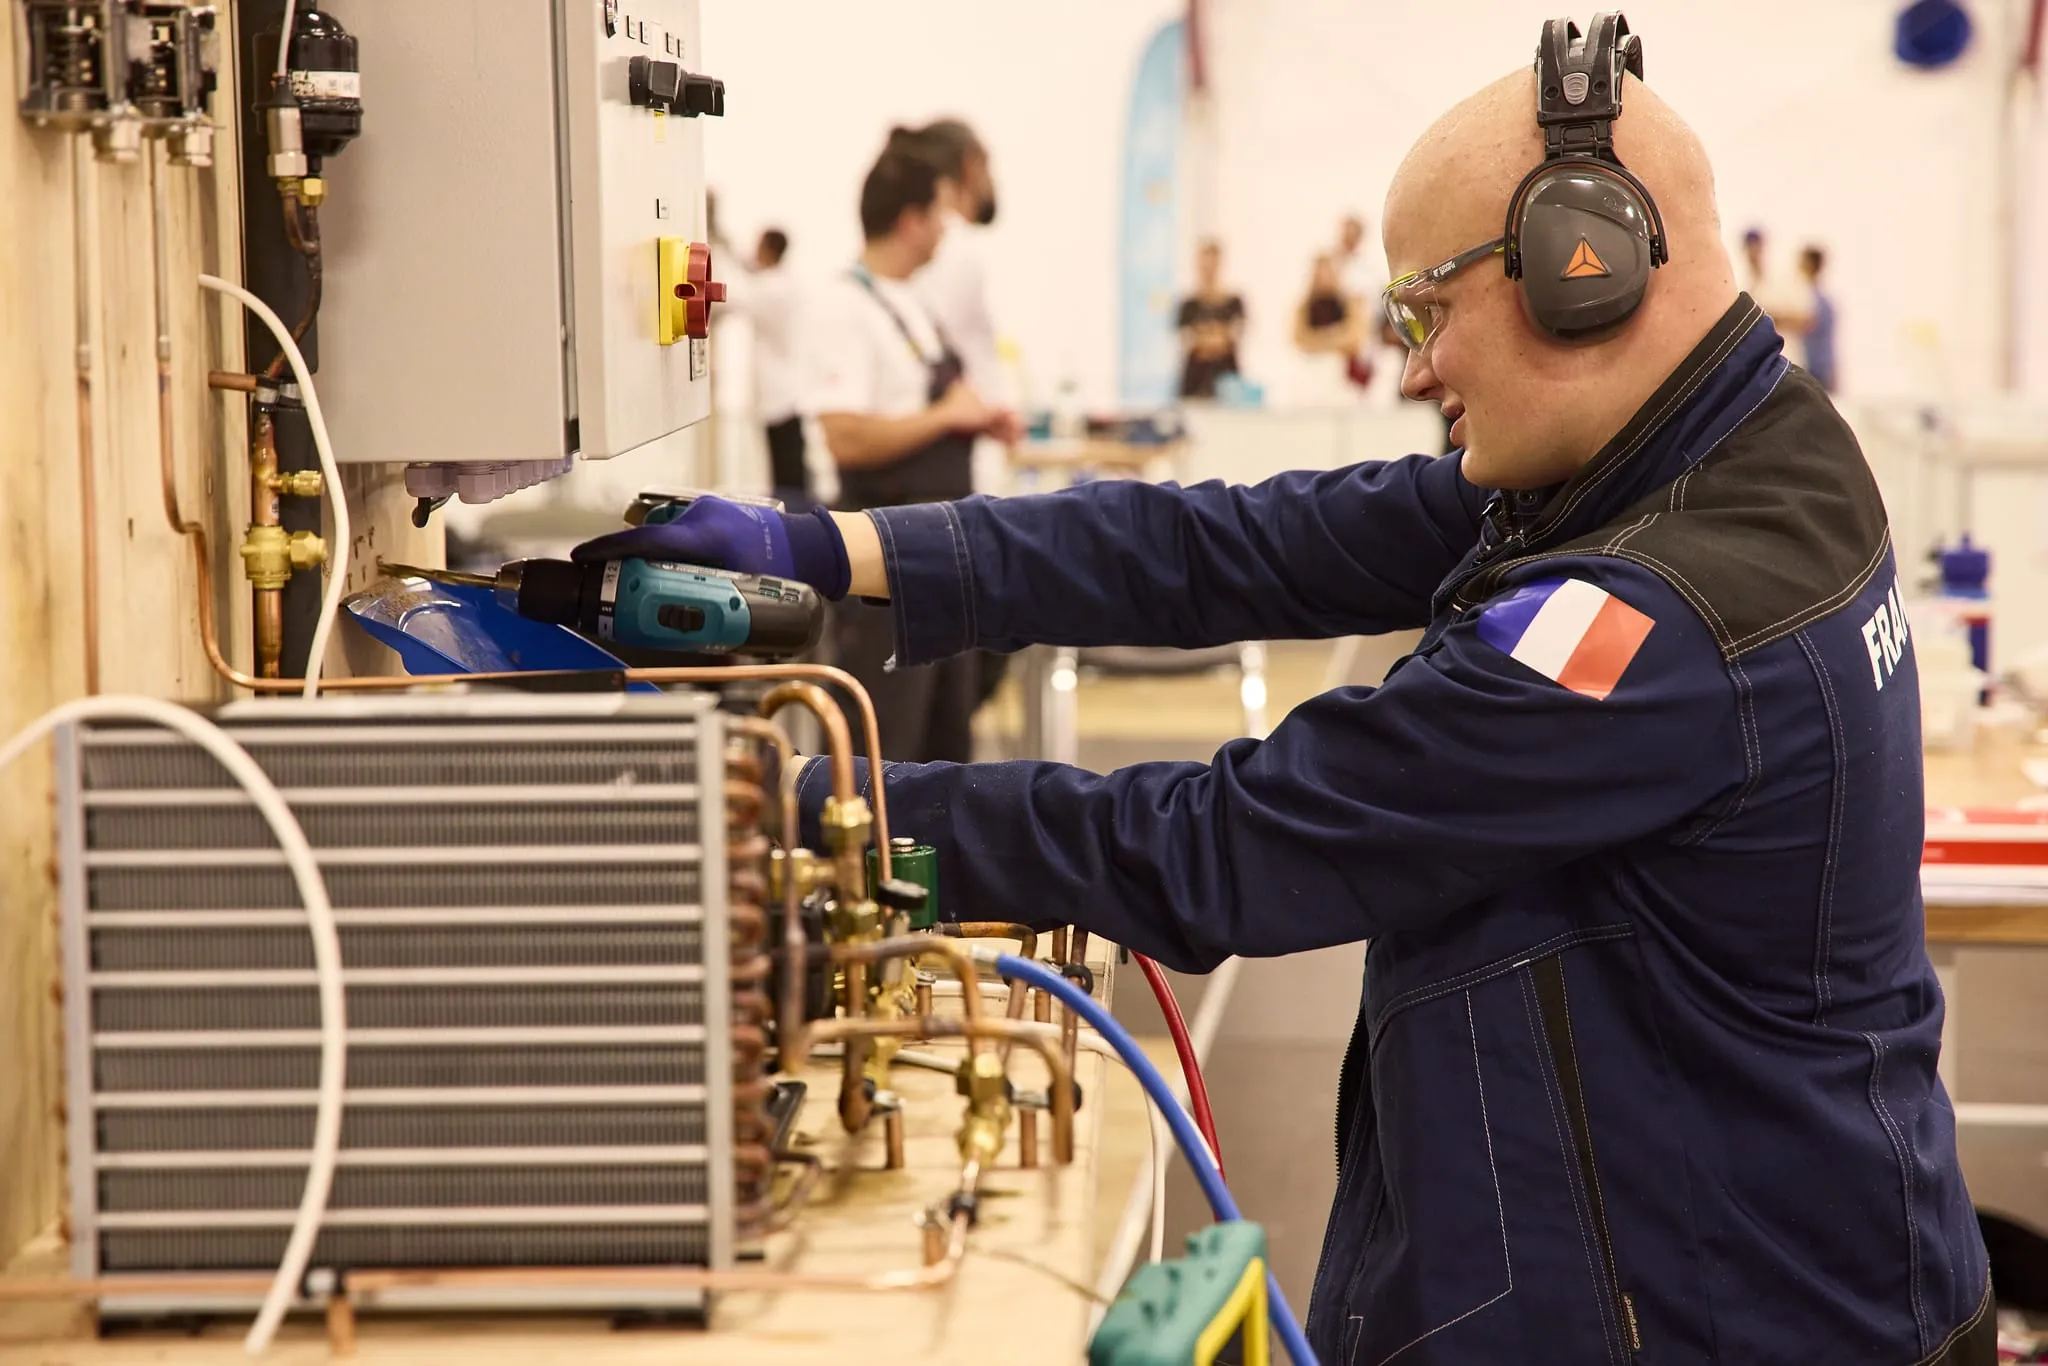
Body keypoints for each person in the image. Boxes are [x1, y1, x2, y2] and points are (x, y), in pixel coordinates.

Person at [576, 31, 1991, 1366]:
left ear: (1586, 266)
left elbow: (1225, 846)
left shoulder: (1657, 616)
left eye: (1434, 310)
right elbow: (1231, 542)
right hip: (1691, 1260)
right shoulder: (1702, 460)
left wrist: (807, 813)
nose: (1417, 364)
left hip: (1715, 1315)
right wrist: (831, 550)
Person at [753, 141, 1012, 763]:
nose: (947, 232)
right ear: (910, 219)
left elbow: (922, 413)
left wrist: (976, 420)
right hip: (887, 564)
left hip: (946, 557)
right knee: (886, 757)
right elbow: (844, 436)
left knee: (949, 751)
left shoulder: (916, 304)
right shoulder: (842, 306)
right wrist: (945, 416)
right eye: (941, 215)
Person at [721, 227, 811, 507]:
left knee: (788, 480)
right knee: (786, 474)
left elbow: (730, 294)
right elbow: (745, 272)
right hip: (785, 396)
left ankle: (794, 532)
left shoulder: (772, 289)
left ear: (768, 249)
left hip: (780, 399)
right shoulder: (780, 283)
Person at [1292, 253, 1369, 404]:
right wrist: (1333, 339)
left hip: (1343, 372)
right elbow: (1299, 338)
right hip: (1312, 370)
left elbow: (1355, 337)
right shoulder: (1304, 307)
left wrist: (1322, 340)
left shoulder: (1349, 304)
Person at [1176, 240, 1245, 399]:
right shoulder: (1188, 305)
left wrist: (1209, 335)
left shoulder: (1234, 302)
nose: (1208, 269)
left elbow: (1235, 333)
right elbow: (1186, 338)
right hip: (1195, 378)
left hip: (1227, 376)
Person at [1796, 243, 1839, 392]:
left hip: (1819, 371)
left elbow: (1805, 323)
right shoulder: (1815, 298)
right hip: (1815, 369)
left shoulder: (1817, 300)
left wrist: (1771, 317)